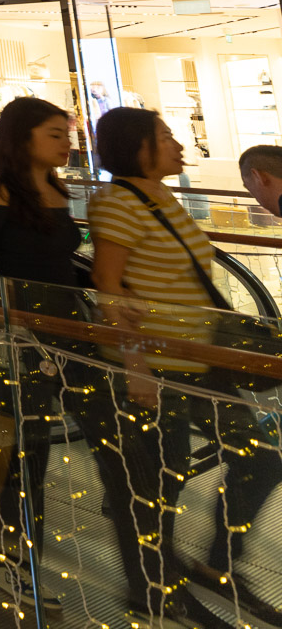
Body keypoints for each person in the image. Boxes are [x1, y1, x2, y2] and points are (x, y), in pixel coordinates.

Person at [0, 97, 151, 614]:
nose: (66, 142)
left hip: (71, 329)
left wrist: (106, 290)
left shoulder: (55, 186)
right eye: (55, 133)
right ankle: (7, 562)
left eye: (65, 133)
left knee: (109, 436)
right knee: (30, 457)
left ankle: (146, 571)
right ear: (23, 137)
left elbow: (58, 261)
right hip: (24, 340)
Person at [92, 108, 282, 608]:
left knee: (260, 458)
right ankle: (156, 584)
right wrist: (134, 366)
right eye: (165, 136)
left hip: (199, 358)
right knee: (164, 477)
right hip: (157, 363)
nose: (178, 144)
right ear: (137, 147)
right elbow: (109, 288)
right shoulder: (115, 201)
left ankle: (216, 564)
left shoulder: (165, 197)